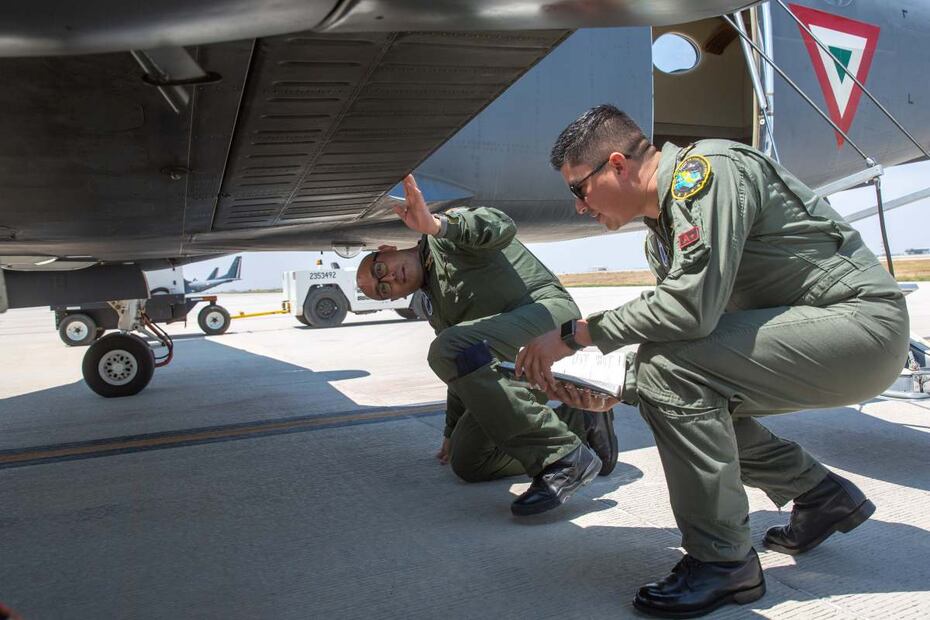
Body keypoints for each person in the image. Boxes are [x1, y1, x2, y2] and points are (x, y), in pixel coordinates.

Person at [515, 104, 909, 617]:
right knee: (666, 387)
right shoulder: (664, 233)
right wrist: (618, 387)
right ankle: (819, 495)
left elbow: (690, 310)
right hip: (822, 336)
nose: (579, 207)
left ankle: (724, 564)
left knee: (665, 372)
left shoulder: (709, 172)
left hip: (860, 326)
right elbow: (693, 341)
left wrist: (575, 335)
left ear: (617, 165)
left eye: (579, 189)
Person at [355, 174, 619, 516]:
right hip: (508, 353)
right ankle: (578, 420)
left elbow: (501, 226)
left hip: (548, 320)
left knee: (447, 347)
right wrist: (451, 431)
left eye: (380, 269)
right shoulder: (435, 304)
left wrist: (436, 226)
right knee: (468, 461)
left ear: (387, 250)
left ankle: (563, 457)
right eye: (384, 289)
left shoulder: (445, 236)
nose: (390, 278)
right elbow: (462, 373)